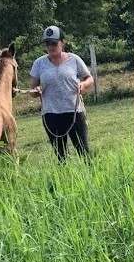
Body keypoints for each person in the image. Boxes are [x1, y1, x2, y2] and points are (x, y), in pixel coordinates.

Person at [29, 26, 94, 161]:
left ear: (62, 42)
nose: (50, 46)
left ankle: (93, 178)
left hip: (74, 112)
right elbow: (33, 89)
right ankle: (65, 181)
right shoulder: (39, 64)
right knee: (61, 156)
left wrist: (83, 85)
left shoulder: (74, 59)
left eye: (54, 43)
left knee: (84, 151)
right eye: (47, 43)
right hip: (51, 115)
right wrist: (36, 91)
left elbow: (90, 78)